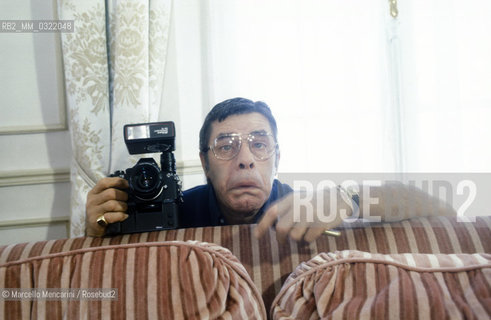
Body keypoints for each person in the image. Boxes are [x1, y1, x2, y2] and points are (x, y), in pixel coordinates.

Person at [86, 97, 456, 241]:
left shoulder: (311, 207)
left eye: (259, 144)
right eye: (226, 146)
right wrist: (94, 231)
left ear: (278, 158)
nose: (245, 158)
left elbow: (444, 210)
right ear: (205, 164)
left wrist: (350, 198)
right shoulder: (172, 212)